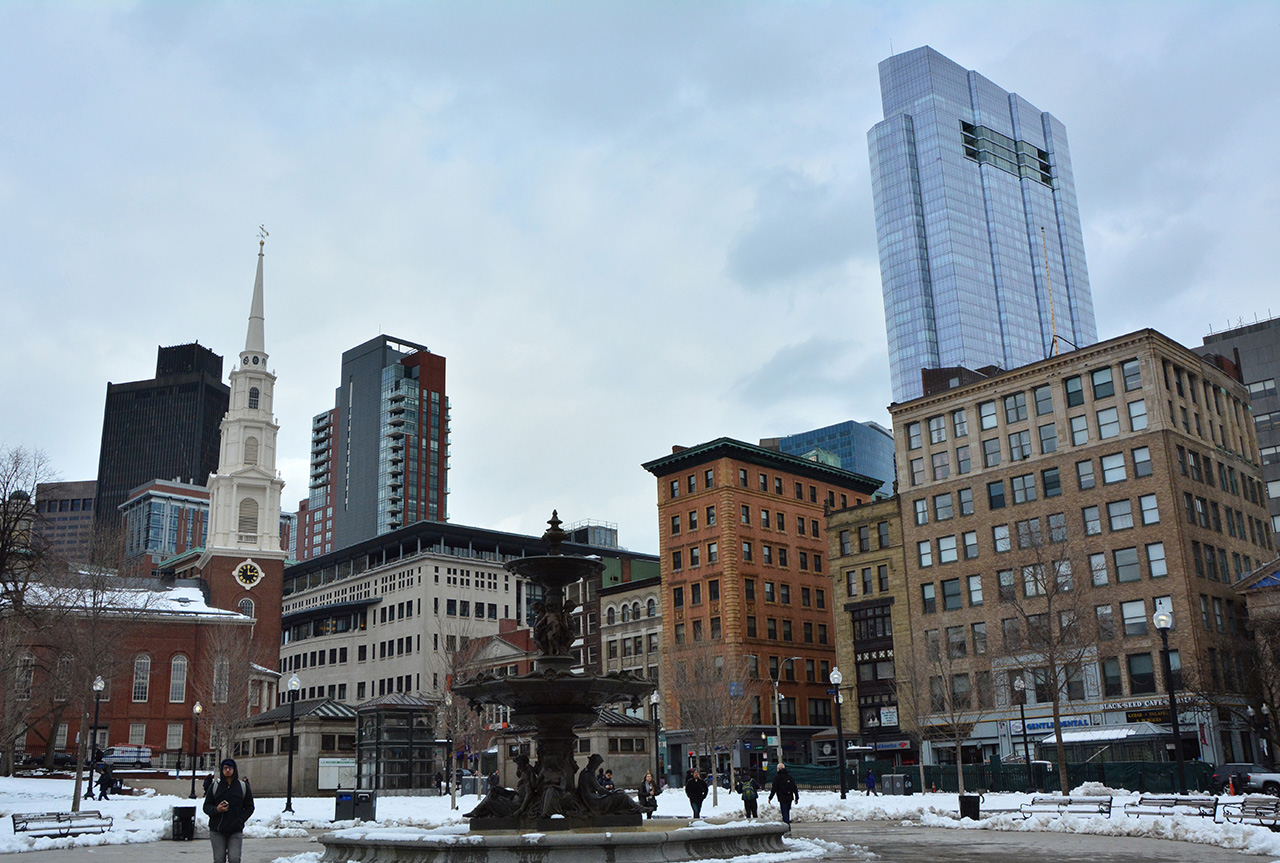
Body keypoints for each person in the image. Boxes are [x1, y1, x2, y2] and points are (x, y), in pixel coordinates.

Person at [203, 758, 254, 863]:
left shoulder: (243, 787)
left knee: (234, 859)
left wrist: (240, 819)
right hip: (217, 830)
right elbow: (206, 806)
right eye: (225, 768)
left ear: (234, 770)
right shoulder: (215, 787)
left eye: (230, 768)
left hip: (235, 829)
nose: (227, 770)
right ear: (222, 770)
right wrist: (216, 809)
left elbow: (249, 807)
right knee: (219, 859)